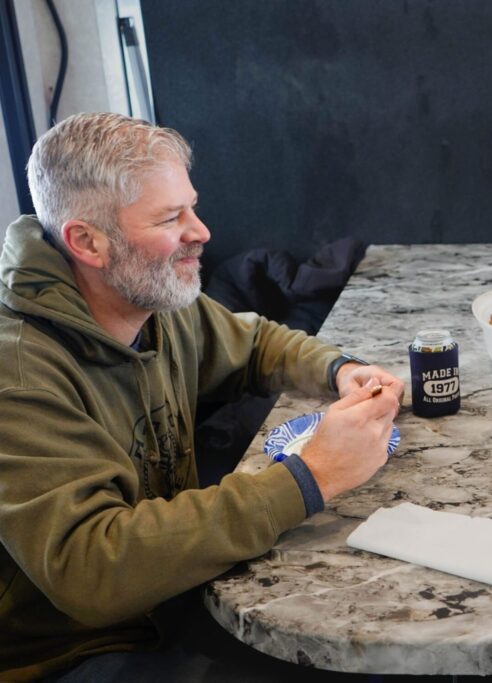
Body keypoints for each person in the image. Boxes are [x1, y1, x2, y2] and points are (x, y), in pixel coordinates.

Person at [0, 112, 404, 680]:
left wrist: (341, 370)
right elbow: (91, 569)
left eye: (191, 206)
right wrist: (311, 477)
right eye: (171, 217)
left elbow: (258, 343)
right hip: (72, 654)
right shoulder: (17, 375)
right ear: (87, 242)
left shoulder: (153, 300)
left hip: (171, 600)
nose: (202, 231)